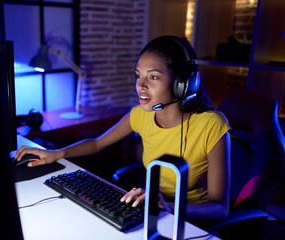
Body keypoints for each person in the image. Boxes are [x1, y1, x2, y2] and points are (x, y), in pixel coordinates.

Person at [15, 35, 231, 227]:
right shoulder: (140, 115)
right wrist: (57, 153)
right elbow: (98, 143)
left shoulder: (211, 125)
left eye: (153, 77)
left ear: (183, 82)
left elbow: (220, 210)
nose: (141, 85)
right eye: (138, 75)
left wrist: (169, 207)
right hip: (153, 213)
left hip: (190, 223)